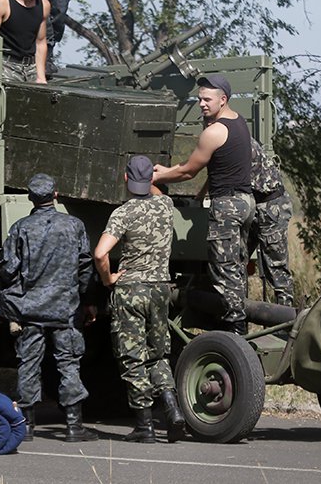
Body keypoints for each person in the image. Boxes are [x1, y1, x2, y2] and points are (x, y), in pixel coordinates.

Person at [0, 173, 98, 443]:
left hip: (30, 310)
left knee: (29, 364)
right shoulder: (74, 225)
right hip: (65, 310)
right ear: (55, 195)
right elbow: (85, 266)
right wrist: (87, 299)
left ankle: (27, 426)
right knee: (68, 364)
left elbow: (8, 269)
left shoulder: (20, 228)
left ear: (31, 197)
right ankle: (74, 426)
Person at [153, 75, 255, 335]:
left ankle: (236, 330)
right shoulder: (239, 122)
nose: (201, 104)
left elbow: (188, 171)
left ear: (223, 100)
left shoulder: (214, 132)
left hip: (227, 207)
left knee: (224, 269)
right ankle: (237, 320)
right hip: (245, 203)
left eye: (207, 99)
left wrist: (158, 176)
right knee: (236, 265)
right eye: (199, 98)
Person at [93, 155, 185, 444]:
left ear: (125, 180)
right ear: (152, 180)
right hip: (160, 289)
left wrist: (108, 279)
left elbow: (100, 254)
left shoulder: (123, 213)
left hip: (131, 291)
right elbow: (155, 192)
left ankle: (144, 424)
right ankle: (172, 408)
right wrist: (154, 180)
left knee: (133, 358)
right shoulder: (166, 206)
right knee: (158, 353)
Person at [248, 138, 295, 306]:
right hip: (255, 206)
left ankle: (285, 321)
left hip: (270, 207)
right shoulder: (230, 133)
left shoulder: (236, 137)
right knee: (236, 260)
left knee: (277, 269)